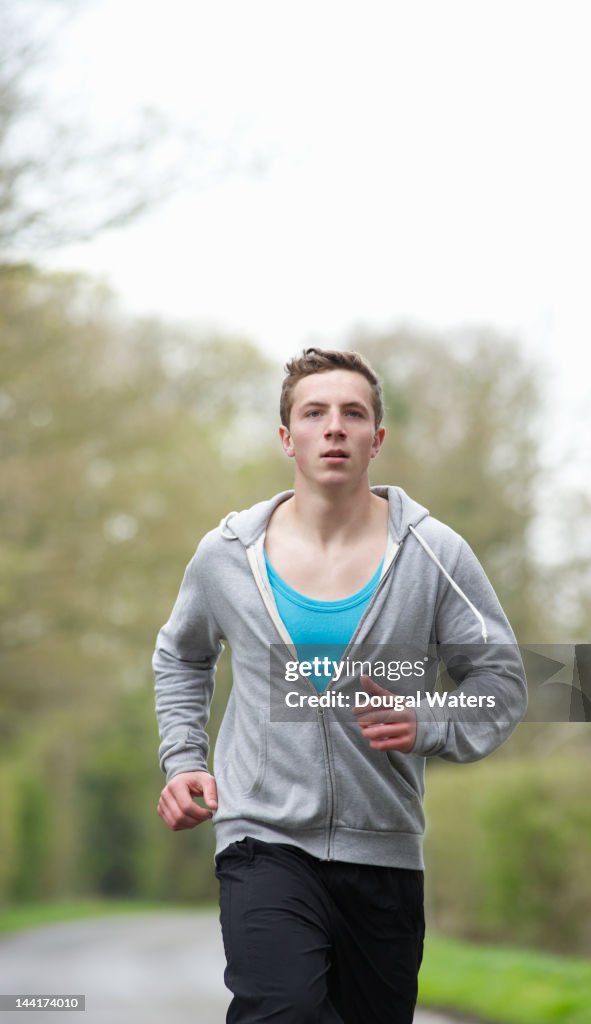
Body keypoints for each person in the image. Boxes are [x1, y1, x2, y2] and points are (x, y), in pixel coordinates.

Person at [153, 347, 527, 1023]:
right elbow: (181, 657)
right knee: (283, 1009)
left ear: (376, 439)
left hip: (383, 848)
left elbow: (500, 683)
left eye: (353, 414)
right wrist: (183, 760)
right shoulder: (227, 557)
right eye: (314, 413)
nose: (334, 427)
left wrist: (430, 721)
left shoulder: (435, 555)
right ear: (286, 437)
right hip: (261, 837)